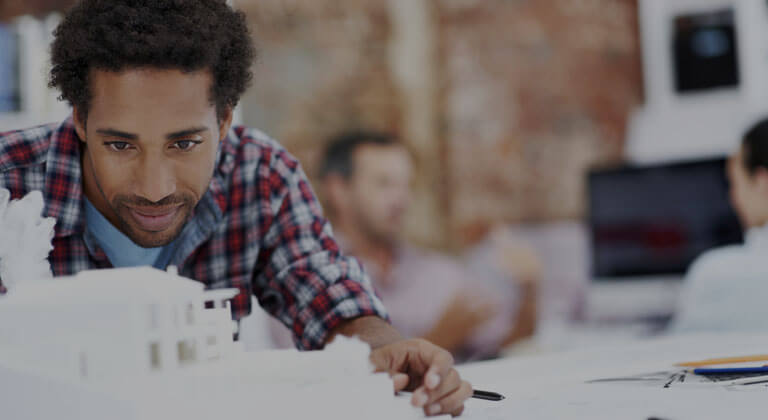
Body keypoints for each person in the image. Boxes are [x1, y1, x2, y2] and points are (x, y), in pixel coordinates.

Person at [0, 1, 471, 416]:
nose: (155, 188)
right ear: (80, 119)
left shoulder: (260, 176)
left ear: (224, 120)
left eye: (184, 143)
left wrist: (390, 351)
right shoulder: (8, 180)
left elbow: (329, 298)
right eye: (121, 145)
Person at [278, 131, 538, 360]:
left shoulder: (439, 271)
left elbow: (505, 345)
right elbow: (313, 381)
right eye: (384, 183)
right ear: (338, 190)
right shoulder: (303, 279)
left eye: (407, 185)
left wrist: (529, 290)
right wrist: (438, 339)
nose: (402, 199)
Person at [671, 118, 768, 333]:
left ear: (762, 182)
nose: (733, 198)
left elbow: (677, 353)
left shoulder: (713, 273)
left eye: (735, 183)